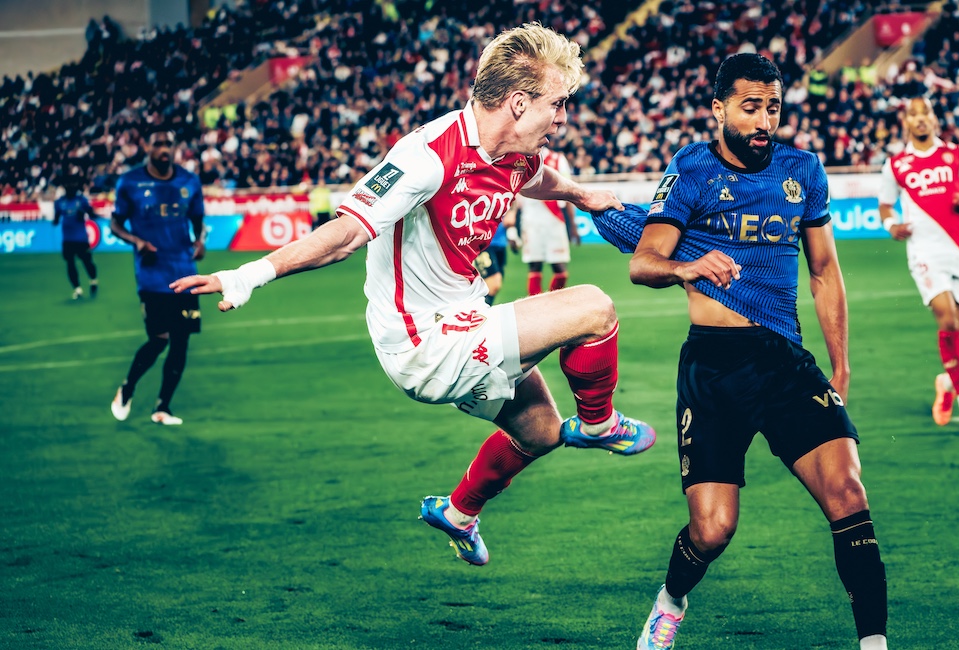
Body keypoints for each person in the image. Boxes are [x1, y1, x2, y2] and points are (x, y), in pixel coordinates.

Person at [171, 23, 655, 566]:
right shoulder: (426, 157)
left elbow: (533, 176)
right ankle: (598, 423)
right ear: (519, 103)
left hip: (467, 317)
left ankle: (459, 513)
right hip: (422, 343)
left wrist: (581, 195)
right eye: (558, 103)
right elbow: (346, 234)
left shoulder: (515, 150)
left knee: (540, 431)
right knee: (593, 308)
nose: (564, 117)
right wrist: (248, 275)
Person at [591, 53, 888, 650]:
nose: (764, 120)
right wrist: (687, 267)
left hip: (784, 362)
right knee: (713, 529)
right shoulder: (691, 168)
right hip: (713, 367)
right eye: (751, 107)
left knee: (848, 494)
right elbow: (643, 262)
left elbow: (824, 272)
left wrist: (841, 366)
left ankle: (874, 643)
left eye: (773, 107)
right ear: (719, 108)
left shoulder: (803, 169)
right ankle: (671, 601)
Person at [879, 97, 959, 433]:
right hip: (924, 252)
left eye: (925, 112)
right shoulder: (896, 165)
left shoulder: (957, 154)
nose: (920, 119)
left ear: (934, 118)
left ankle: (947, 382)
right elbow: (885, 205)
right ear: (906, 123)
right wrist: (891, 225)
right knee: (947, 318)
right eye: (913, 114)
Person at [109, 126, 207, 426]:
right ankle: (127, 388)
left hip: (185, 273)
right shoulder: (129, 182)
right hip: (151, 275)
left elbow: (198, 220)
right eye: (158, 143)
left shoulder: (189, 181)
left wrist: (200, 241)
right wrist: (136, 241)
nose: (164, 148)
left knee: (181, 342)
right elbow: (115, 224)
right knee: (159, 339)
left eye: (168, 143)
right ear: (147, 147)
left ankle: (162, 407)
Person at [519, 149, 579, 295]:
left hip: (554, 220)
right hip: (531, 221)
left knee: (560, 270)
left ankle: (552, 303)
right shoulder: (520, 157)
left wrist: (572, 225)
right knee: (535, 266)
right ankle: (536, 305)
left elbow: (569, 189)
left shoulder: (558, 159)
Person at [53, 174, 99, 300]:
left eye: (72, 184)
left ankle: (93, 280)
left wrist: (85, 213)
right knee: (70, 263)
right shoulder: (59, 202)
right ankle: (77, 289)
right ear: (64, 186)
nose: (70, 187)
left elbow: (91, 213)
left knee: (87, 262)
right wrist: (55, 219)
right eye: (68, 184)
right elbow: (56, 220)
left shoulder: (81, 200)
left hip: (81, 238)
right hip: (67, 239)